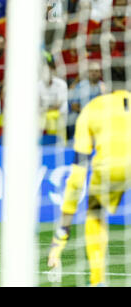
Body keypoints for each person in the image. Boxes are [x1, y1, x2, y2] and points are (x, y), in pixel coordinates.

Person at [47, 89, 131, 286]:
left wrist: (61, 234)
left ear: (104, 88)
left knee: (95, 214)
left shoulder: (92, 108)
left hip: (109, 168)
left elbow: (77, 177)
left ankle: (98, 281)